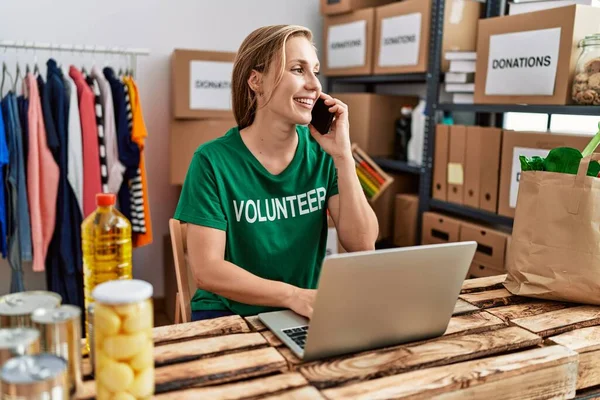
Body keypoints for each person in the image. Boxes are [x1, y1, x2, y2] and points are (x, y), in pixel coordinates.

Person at [174, 25, 379, 321]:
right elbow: (207, 271)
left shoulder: (323, 154)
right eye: (298, 70)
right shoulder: (212, 161)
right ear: (256, 81)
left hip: (304, 310)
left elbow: (362, 245)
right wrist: (293, 296)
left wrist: (343, 156)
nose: (314, 85)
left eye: (315, 72)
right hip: (230, 312)